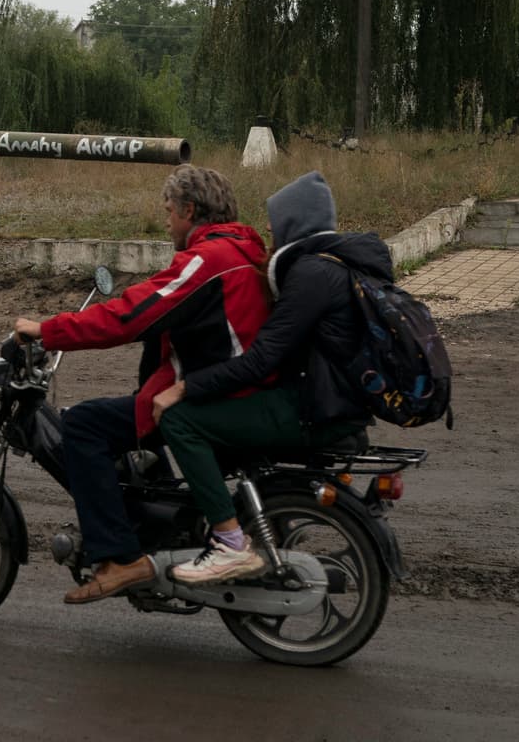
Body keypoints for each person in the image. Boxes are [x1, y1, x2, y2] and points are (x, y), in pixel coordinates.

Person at [12, 165, 271, 604]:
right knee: (130, 413)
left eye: (169, 211)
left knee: (84, 425)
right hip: (222, 387)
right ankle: (156, 532)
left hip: (214, 396)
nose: (166, 220)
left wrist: (47, 329)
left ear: (190, 210)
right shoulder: (239, 250)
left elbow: (130, 316)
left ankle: (117, 559)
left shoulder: (209, 260)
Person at [149, 170, 387, 586]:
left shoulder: (310, 275)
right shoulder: (341, 265)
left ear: (296, 225)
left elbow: (261, 360)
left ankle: (229, 543)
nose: (270, 236)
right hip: (342, 404)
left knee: (181, 420)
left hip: (317, 408)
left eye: (276, 227)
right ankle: (249, 523)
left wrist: (184, 387)